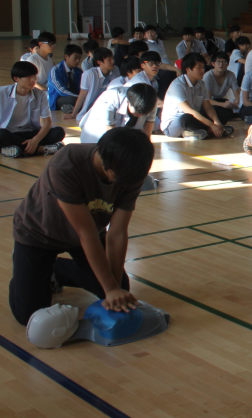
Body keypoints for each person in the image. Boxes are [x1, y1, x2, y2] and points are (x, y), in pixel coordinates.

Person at [8, 128, 155, 326]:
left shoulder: (131, 172)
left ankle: (54, 270)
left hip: (87, 235)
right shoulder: (67, 164)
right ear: (106, 163)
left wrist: (114, 287)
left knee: (119, 287)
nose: (128, 184)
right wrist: (110, 288)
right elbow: (85, 233)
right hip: (39, 233)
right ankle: (26, 275)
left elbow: (117, 233)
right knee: (30, 316)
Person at [160, 53, 235, 140]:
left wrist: (217, 122)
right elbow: (189, 111)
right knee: (186, 118)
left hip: (195, 117)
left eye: (203, 67)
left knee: (221, 113)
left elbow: (208, 107)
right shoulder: (177, 85)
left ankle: (195, 132)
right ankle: (210, 131)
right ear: (188, 69)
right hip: (174, 124)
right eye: (199, 67)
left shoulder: (201, 83)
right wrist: (211, 125)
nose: (202, 70)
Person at [0, 62, 66, 158]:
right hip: (10, 133)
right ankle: (42, 149)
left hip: (31, 133)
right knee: (1, 134)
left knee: (59, 132)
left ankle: (14, 149)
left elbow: (47, 123)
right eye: (28, 77)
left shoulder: (41, 95)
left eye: (34, 76)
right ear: (16, 78)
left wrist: (35, 140)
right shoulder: (2, 93)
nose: (33, 80)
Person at [78, 84, 158, 143]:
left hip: (122, 135)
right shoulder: (109, 99)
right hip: (98, 135)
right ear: (128, 102)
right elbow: (111, 132)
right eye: (138, 112)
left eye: (144, 113)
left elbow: (148, 126)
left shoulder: (152, 102)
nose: (141, 115)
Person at [68, 47, 120, 120]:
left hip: (110, 106)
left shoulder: (115, 70)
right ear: (99, 62)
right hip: (92, 108)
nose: (113, 61)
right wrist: (74, 114)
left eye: (112, 58)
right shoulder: (89, 74)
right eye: (109, 59)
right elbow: (82, 94)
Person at [204, 51, 241, 125]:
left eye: (224, 62)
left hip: (221, 100)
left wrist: (236, 102)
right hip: (208, 102)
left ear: (228, 64)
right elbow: (207, 100)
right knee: (221, 112)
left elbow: (237, 94)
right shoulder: (207, 77)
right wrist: (222, 104)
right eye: (218, 61)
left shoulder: (231, 75)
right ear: (213, 63)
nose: (221, 64)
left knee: (228, 109)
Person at [47, 43, 83, 112]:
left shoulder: (78, 71)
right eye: (75, 58)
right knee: (73, 100)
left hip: (74, 96)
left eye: (79, 58)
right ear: (66, 56)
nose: (78, 60)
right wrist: (79, 98)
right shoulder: (56, 70)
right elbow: (61, 90)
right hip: (59, 98)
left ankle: (70, 108)